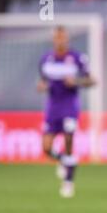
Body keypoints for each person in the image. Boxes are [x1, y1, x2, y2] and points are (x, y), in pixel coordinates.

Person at [37, 26, 96, 198]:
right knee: (46, 148)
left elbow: (91, 80)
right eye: (57, 37)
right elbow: (42, 81)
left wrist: (76, 81)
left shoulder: (77, 58)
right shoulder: (46, 60)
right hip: (52, 108)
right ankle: (63, 160)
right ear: (53, 39)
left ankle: (68, 182)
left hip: (70, 106)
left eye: (63, 37)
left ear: (67, 39)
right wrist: (41, 86)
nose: (60, 40)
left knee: (69, 138)